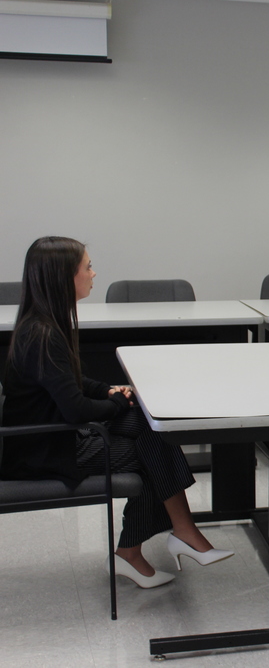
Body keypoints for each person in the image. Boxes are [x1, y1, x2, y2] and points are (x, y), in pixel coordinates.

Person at [0, 237, 233, 589]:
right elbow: (76, 409)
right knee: (149, 453)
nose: (94, 273)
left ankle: (165, 541)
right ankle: (158, 542)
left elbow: (71, 381)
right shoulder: (44, 333)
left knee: (148, 424)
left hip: (51, 436)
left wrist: (109, 390)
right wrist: (119, 402)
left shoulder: (42, 324)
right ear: (65, 277)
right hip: (41, 452)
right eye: (88, 267)